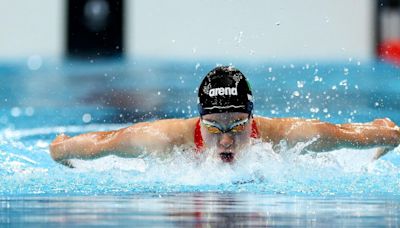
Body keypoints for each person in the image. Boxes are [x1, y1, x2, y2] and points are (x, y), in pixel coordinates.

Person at [50, 66, 400, 167]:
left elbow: (347, 134)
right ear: (199, 119)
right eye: (215, 126)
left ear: (252, 117)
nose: (227, 139)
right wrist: (61, 150)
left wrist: (385, 134)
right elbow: (101, 143)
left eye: (237, 125)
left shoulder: (288, 135)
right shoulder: (165, 138)